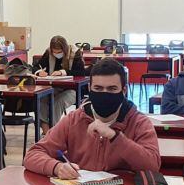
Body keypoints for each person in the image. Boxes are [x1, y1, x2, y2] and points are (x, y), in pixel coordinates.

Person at [24, 57, 160, 178]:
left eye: (112, 89)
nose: (104, 94)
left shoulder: (139, 122)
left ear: (123, 91)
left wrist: (115, 137)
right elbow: (33, 155)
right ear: (89, 88)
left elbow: (153, 165)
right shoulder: (74, 120)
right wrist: (56, 167)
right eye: (98, 88)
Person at [33, 35, 87, 125]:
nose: (56, 54)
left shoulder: (75, 53)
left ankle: (53, 130)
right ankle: (46, 130)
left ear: (64, 49)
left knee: (58, 102)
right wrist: (39, 72)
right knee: (41, 99)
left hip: (73, 89)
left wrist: (63, 72)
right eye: (54, 52)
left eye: (59, 52)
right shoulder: (48, 52)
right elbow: (35, 67)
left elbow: (81, 73)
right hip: (54, 87)